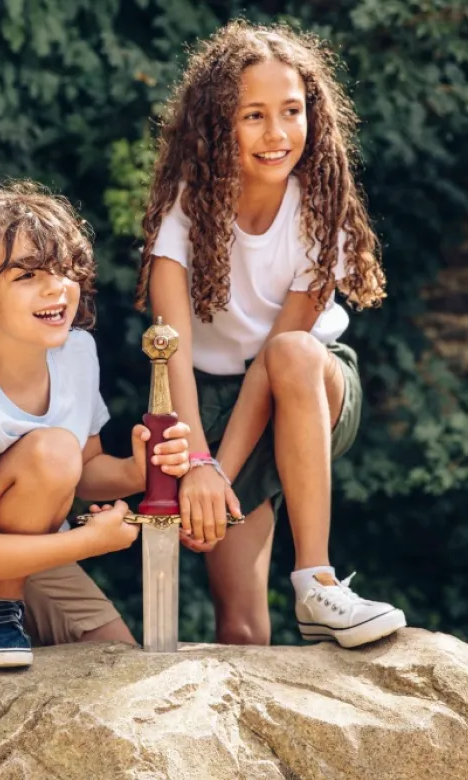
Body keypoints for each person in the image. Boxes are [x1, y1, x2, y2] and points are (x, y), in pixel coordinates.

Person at [135, 20, 406, 649]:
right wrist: (199, 464)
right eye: (253, 115)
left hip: (311, 384)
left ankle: (317, 583)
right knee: (241, 625)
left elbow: (276, 363)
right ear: (215, 126)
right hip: (207, 402)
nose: (277, 133)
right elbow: (168, 347)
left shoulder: (320, 207)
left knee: (290, 352)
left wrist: (213, 477)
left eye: (291, 111)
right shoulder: (185, 212)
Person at [0, 181, 190, 668]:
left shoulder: (77, 353)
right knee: (50, 451)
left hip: (26, 538)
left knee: (117, 656)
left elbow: (84, 471)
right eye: (27, 275)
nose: (56, 287)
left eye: (64, 270)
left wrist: (137, 472)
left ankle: (4, 606)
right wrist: (89, 542)